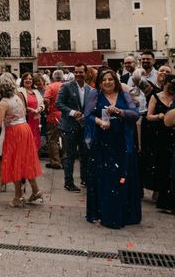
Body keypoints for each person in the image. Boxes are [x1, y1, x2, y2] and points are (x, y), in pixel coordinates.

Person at [84, 69, 141, 228]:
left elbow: (135, 114)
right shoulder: (95, 95)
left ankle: (123, 212)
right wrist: (99, 122)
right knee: (103, 176)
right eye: (104, 80)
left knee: (121, 176)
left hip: (121, 141)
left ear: (115, 81)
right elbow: (87, 115)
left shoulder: (124, 95)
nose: (107, 82)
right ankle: (102, 211)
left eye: (110, 79)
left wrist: (120, 111)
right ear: (100, 83)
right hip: (102, 142)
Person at [0, 73, 43, 207]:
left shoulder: (3, 103)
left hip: (14, 132)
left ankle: (18, 197)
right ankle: (36, 191)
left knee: (14, 162)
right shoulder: (17, 97)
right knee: (26, 161)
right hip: (24, 129)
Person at [56, 63, 93, 192]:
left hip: (84, 127)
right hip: (69, 126)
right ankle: (68, 182)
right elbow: (58, 103)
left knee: (85, 154)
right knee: (69, 156)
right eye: (76, 72)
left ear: (86, 73)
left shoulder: (90, 89)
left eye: (81, 72)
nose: (78, 74)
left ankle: (85, 179)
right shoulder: (66, 86)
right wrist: (72, 112)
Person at [139, 65, 172, 196]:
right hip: (152, 129)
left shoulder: (172, 92)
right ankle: (144, 188)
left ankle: (159, 192)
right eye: (162, 71)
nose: (164, 73)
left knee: (164, 162)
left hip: (167, 132)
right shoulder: (150, 87)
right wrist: (140, 72)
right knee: (150, 160)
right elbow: (137, 80)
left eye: (167, 72)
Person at [146, 74, 175, 212]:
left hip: (172, 135)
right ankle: (161, 195)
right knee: (162, 165)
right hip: (159, 134)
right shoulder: (156, 96)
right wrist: (159, 116)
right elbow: (148, 116)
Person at [43, 70, 64, 169]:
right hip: (66, 115)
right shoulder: (66, 86)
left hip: (54, 115)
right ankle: (65, 161)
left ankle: (55, 162)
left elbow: (46, 99)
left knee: (52, 139)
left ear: (53, 77)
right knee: (65, 140)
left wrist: (47, 109)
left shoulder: (51, 86)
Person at [19, 72, 44, 150]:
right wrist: (29, 109)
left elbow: (42, 104)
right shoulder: (19, 91)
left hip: (35, 120)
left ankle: (34, 159)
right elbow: (19, 105)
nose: (28, 80)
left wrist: (38, 109)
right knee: (25, 142)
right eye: (26, 79)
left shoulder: (36, 91)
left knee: (34, 142)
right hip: (25, 120)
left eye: (30, 79)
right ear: (22, 80)